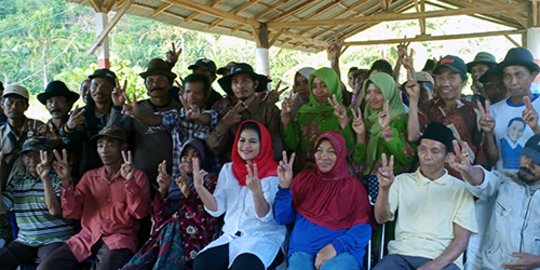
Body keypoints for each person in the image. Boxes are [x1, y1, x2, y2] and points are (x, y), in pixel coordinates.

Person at [38, 126, 151, 270]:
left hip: (119, 239)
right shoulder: (90, 177)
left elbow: (140, 213)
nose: (104, 149)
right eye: (100, 145)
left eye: (111, 144)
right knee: (45, 267)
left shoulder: (138, 176)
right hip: (87, 237)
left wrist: (129, 182)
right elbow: (71, 213)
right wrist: (66, 181)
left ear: (123, 147)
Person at [373, 122, 477, 270]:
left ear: (447, 157)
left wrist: (434, 265)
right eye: (423, 149)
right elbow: (381, 218)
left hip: (443, 262)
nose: (427, 156)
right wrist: (384, 189)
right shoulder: (401, 181)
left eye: (435, 151)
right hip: (401, 256)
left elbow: (461, 239)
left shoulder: (461, 188)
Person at [193, 120, 286, 270]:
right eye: (242, 140)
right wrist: (199, 188)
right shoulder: (228, 169)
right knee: (202, 263)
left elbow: (266, 216)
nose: (246, 146)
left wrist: (257, 193)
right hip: (231, 236)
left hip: (263, 237)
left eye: (253, 141)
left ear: (263, 145)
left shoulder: (275, 174)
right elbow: (217, 209)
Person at [274, 132, 372, 270]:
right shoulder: (303, 180)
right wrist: (284, 187)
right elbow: (282, 218)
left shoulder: (353, 187)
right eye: (319, 151)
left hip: (341, 253)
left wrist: (335, 247)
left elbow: (363, 228)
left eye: (331, 152)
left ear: (341, 155)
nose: (324, 156)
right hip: (302, 251)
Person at [123, 138, 217, 270]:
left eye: (195, 155)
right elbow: (159, 220)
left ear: (203, 158)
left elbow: (207, 219)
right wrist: (162, 190)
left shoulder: (210, 180)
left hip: (192, 239)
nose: (188, 159)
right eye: (185, 155)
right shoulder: (175, 181)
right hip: (165, 236)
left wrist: (187, 193)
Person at [453, 133, 540, 270]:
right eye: (526, 156)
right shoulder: (505, 182)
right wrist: (468, 170)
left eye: (537, 162)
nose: (528, 165)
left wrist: (537, 260)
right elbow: (483, 181)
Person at [407, 55, 491, 171]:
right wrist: (413, 98)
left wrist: (474, 180)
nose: (445, 83)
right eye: (440, 78)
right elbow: (413, 136)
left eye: (452, 78)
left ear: (464, 81)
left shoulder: (474, 111)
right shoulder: (426, 109)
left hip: (462, 181)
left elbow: (484, 153)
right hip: (429, 181)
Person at [0, 137, 73, 269]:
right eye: (27, 156)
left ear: (49, 157)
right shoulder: (18, 181)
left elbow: (54, 210)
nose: (32, 160)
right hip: (25, 240)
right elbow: (1, 208)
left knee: (46, 267)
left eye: (38, 155)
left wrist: (45, 179)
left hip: (55, 239)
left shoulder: (59, 178)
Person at [109, 58, 180, 189]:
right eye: (150, 81)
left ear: (170, 84)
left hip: (175, 181)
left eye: (161, 80)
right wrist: (117, 107)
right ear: (146, 85)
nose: (155, 85)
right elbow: (111, 136)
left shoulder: (179, 109)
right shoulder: (136, 108)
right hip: (140, 180)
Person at [281, 67, 355, 173]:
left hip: (337, 174)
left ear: (333, 86)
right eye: (314, 86)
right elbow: (292, 144)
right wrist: (286, 118)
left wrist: (343, 122)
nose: (319, 90)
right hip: (308, 173)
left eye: (324, 85)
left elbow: (350, 148)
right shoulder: (304, 113)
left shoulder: (346, 113)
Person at [482, 47, 540, 175]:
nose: (513, 82)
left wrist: (536, 128)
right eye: (507, 76)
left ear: (532, 76)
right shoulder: (493, 111)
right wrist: (488, 134)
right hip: (505, 186)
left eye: (518, 75)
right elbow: (493, 159)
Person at [208, 63, 283, 161]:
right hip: (233, 169)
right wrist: (225, 123)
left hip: (261, 169)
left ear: (255, 84)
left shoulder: (269, 110)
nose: (240, 86)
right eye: (235, 82)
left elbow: (276, 148)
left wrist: (254, 165)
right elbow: (213, 148)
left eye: (245, 80)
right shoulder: (225, 111)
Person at [0, 84, 44, 247]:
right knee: (8, 237)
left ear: (26, 106)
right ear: (2, 104)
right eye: (9, 102)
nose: (14, 107)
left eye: (19, 103)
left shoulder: (38, 127)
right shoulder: (0, 133)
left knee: (30, 235)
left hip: (33, 191)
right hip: (7, 192)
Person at [60, 68, 119, 177]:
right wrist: (69, 128)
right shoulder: (81, 114)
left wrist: (117, 108)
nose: (99, 90)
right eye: (95, 85)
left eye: (105, 87)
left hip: (118, 172)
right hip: (87, 174)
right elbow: (69, 144)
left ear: (113, 89)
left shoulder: (122, 111)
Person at [37, 80, 80, 149]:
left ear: (69, 104)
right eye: (50, 101)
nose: (54, 105)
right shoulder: (42, 131)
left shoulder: (79, 126)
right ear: (46, 107)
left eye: (59, 100)